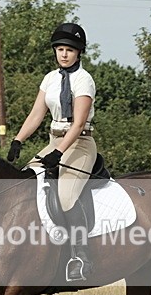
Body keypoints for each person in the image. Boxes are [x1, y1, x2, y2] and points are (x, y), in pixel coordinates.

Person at [7, 22, 97, 281]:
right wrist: (18, 140)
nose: (64, 54)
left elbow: (78, 124)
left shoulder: (83, 80)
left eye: (70, 50)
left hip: (80, 144)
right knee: (23, 184)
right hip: (54, 141)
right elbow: (37, 114)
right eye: (60, 49)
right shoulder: (50, 79)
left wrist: (59, 153)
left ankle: (81, 257)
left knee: (66, 197)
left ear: (79, 52)